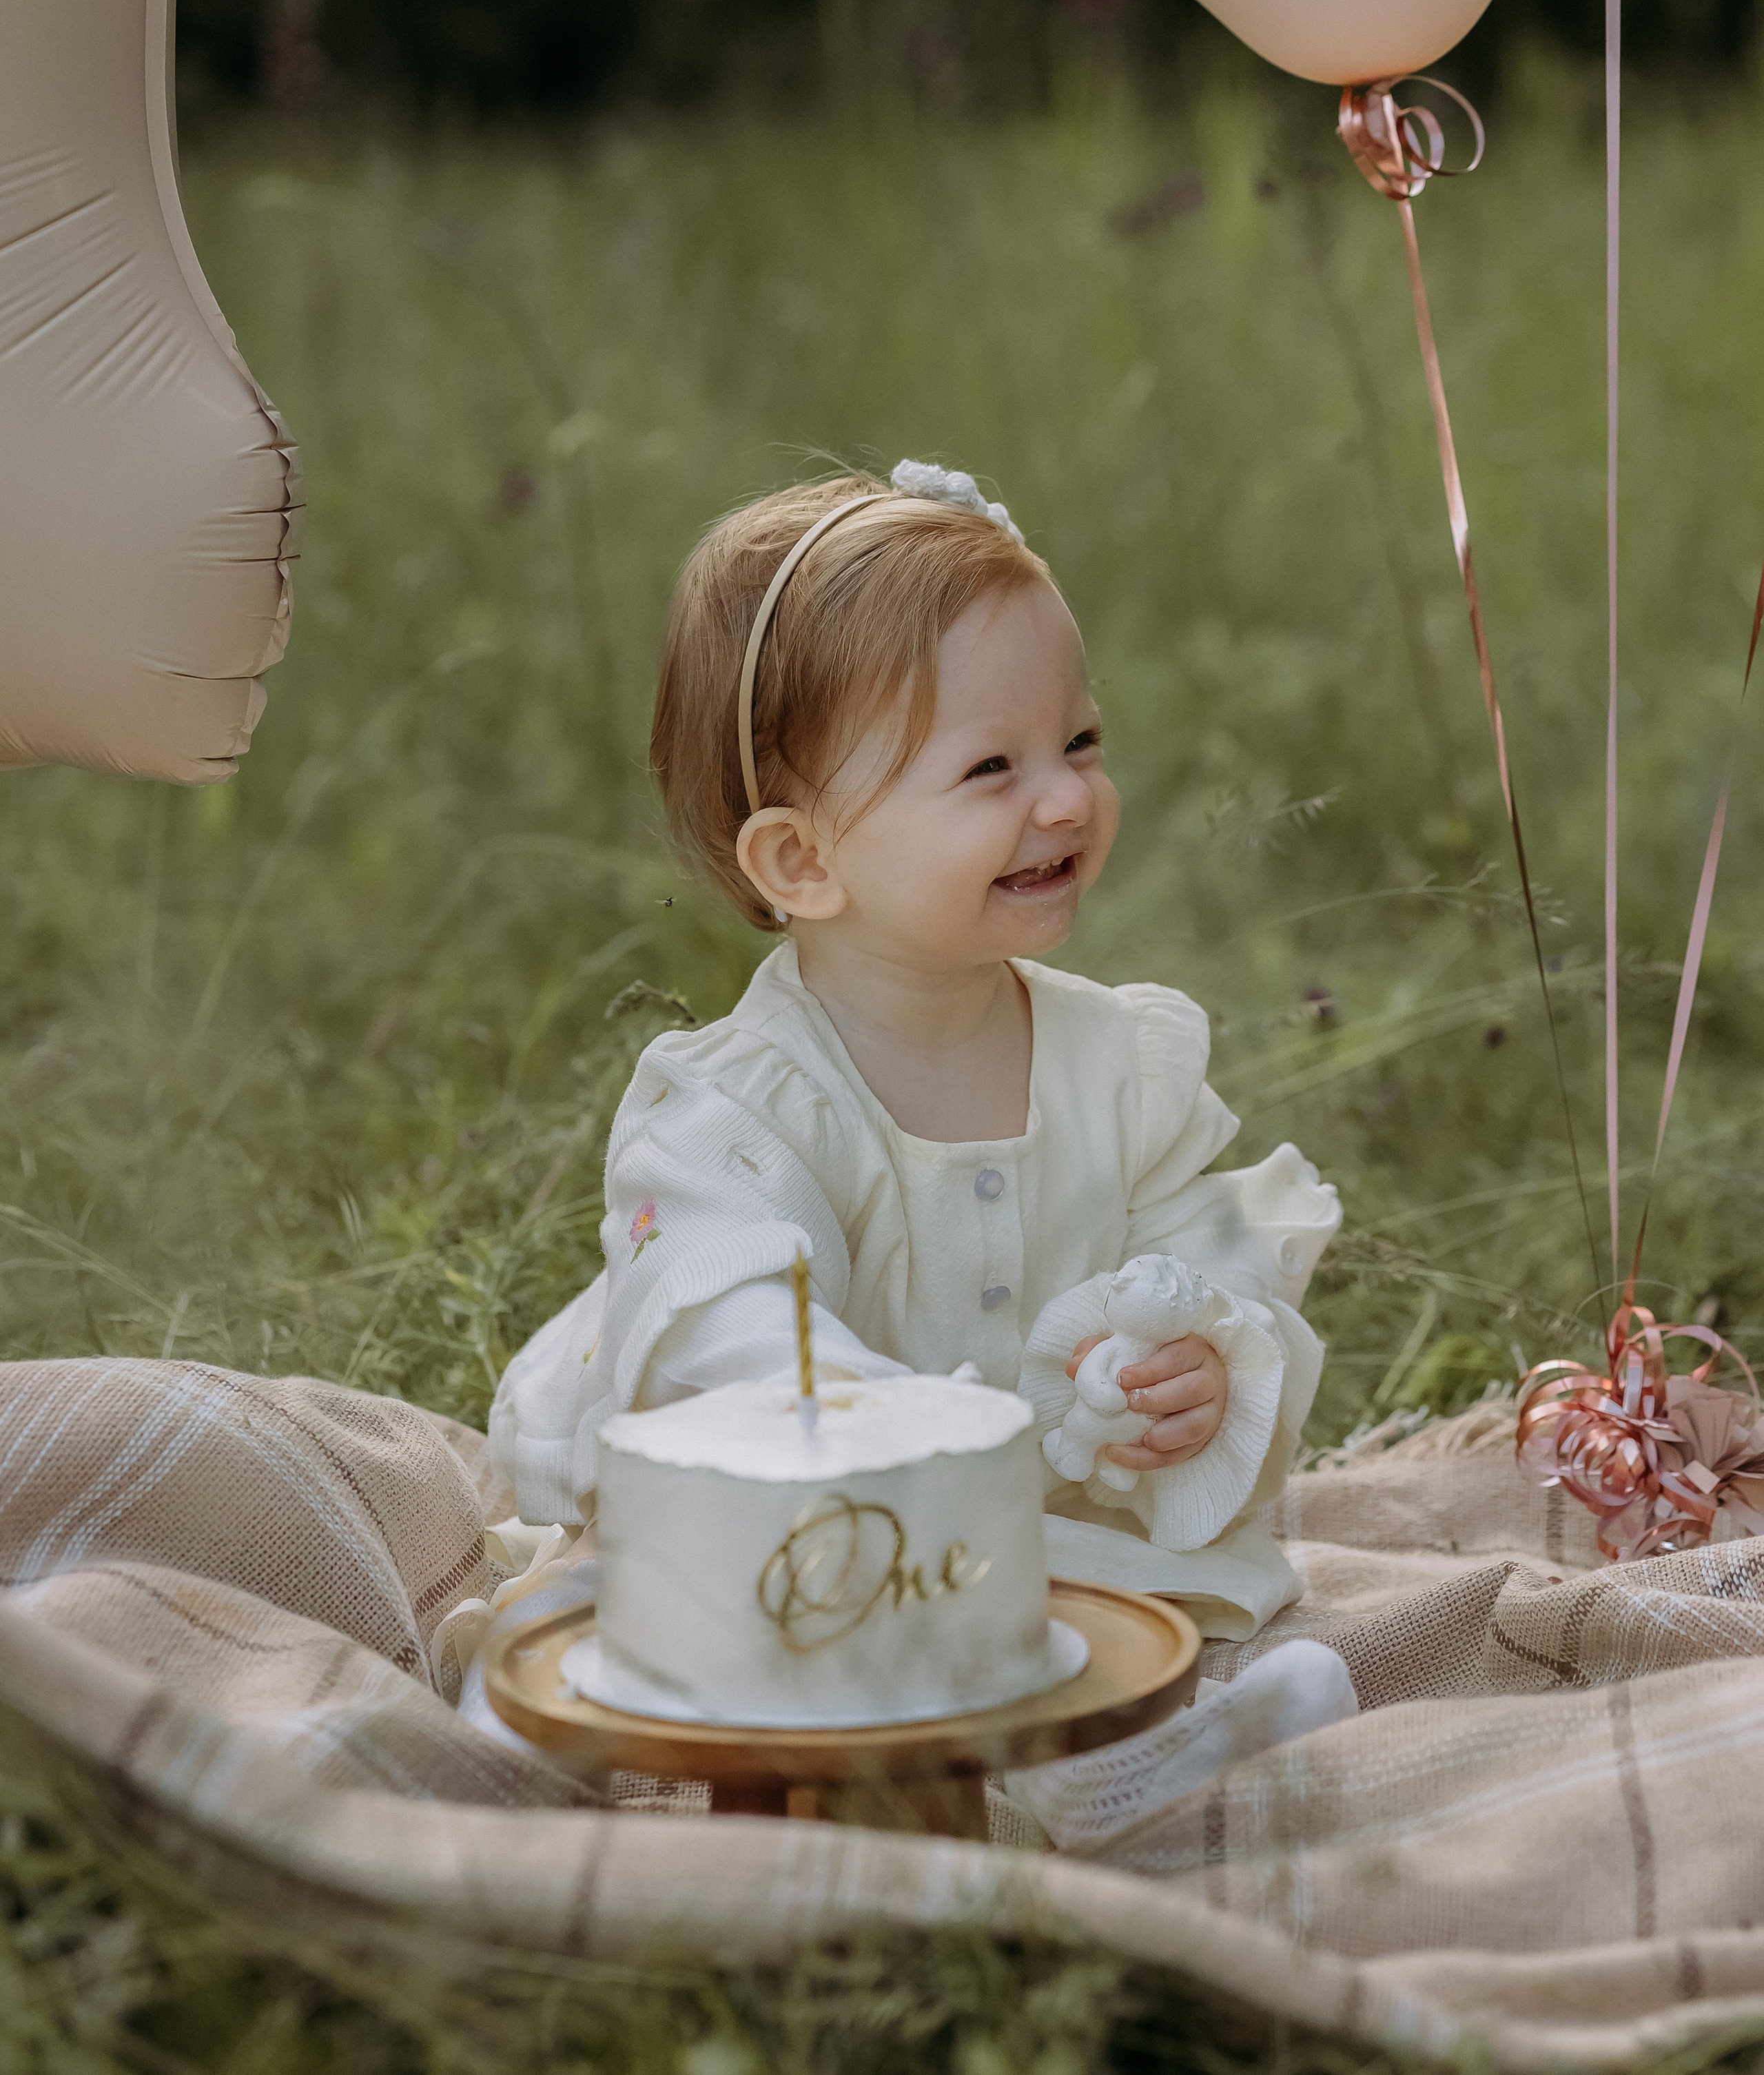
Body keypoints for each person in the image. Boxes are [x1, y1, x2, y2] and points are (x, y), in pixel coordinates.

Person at [489, 463, 1342, 1638]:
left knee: (1149, 1625)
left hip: (1041, 1538)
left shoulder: (1113, 1064)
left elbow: (1201, 1245)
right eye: (993, 767)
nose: (1065, 799)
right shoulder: (740, 1116)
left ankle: (1164, 1722)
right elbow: (735, 1345)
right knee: (665, 1623)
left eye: (1080, 740)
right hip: (802, 1530)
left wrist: (1191, 1355)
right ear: (803, 862)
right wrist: (918, 1453)